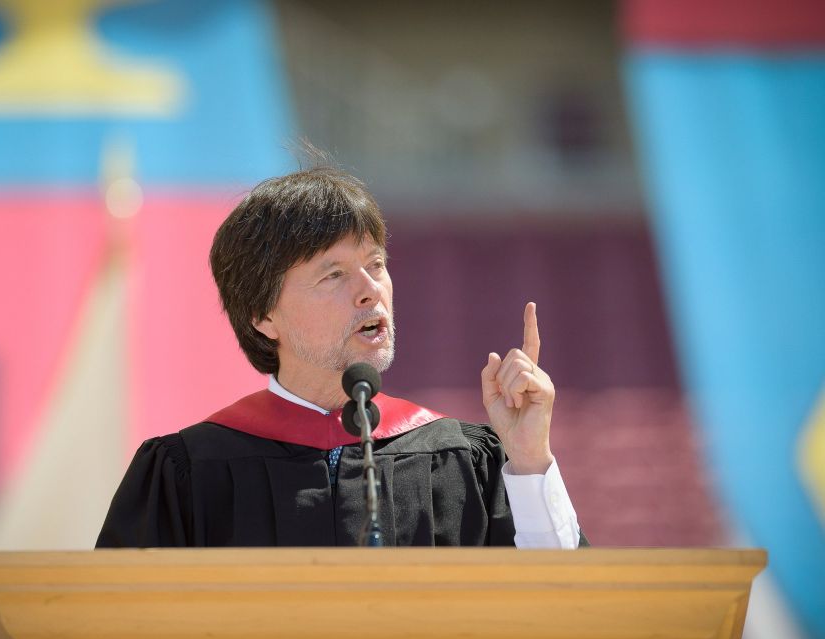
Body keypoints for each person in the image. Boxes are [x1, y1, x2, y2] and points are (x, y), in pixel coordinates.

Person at [97, 166, 584, 548]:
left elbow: (566, 610)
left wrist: (528, 458)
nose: (370, 290)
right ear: (262, 315)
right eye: (334, 274)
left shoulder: (462, 462)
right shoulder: (189, 473)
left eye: (375, 265)